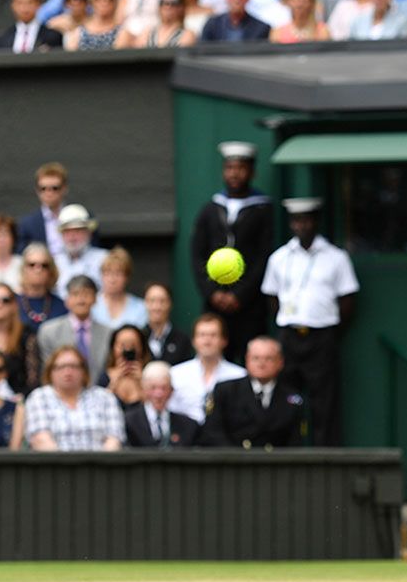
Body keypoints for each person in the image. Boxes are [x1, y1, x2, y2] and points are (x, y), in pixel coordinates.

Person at [260, 198, 358, 447]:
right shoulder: (279, 258)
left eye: (306, 220)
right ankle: (287, 451)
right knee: (287, 397)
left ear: (316, 222)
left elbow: (347, 301)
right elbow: (272, 297)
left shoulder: (336, 257)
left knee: (324, 402)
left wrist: (330, 330)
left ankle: (327, 456)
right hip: (290, 335)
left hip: (321, 336)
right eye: (296, 220)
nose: (301, 225)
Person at [189, 142, 273, 363]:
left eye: (241, 168)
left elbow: (265, 257)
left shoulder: (263, 209)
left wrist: (240, 295)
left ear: (252, 172)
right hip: (214, 304)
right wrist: (212, 293)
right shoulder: (210, 209)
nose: (234, 173)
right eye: (230, 168)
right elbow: (197, 255)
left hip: (250, 306)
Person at [199, 336, 303, 448]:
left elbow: (295, 442)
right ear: (247, 360)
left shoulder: (291, 399)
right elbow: (213, 432)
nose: (261, 364)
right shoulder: (225, 391)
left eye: (268, 359)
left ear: (280, 362)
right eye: (256, 358)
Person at [24, 345, 124, 450]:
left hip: (101, 464)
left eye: (73, 366)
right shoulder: (39, 398)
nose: (68, 372)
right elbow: (41, 440)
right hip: (53, 464)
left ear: (84, 371)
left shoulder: (105, 397)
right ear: (50, 371)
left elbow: (114, 439)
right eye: (61, 367)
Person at [168, 313, 244, 422]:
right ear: (193, 341)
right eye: (202, 335)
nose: (207, 341)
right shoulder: (175, 374)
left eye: (213, 335)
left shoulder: (239, 376)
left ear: (224, 341)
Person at [38, 275, 110, 382]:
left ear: (95, 299)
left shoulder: (108, 333)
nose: (81, 300)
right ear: (67, 300)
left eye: (86, 294)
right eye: (75, 294)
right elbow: (47, 371)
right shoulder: (49, 331)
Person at [122, 359, 197, 447]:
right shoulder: (129, 422)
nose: (158, 394)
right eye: (153, 388)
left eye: (164, 388)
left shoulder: (187, 425)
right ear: (143, 389)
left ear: (171, 391)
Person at [51, 205, 107, 295]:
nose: (72, 237)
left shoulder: (104, 259)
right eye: (67, 232)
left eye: (77, 231)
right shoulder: (53, 262)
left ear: (89, 232)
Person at [0, 0, 64, 54]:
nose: (25, 8)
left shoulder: (53, 37)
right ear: (13, 5)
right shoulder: (4, 38)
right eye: (20, 3)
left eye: (30, 2)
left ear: (38, 4)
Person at [92, 247, 146, 330]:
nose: (112, 279)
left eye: (118, 274)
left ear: (127, 277)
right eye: (107, 273)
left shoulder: (140, 307)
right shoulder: (91, 305)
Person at [141, 282, 191, 365]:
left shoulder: (182, 340)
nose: (157, 307)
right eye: (152, 301)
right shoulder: (138, 338)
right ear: (145, 303)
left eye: (162, 301)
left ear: (170, 304)